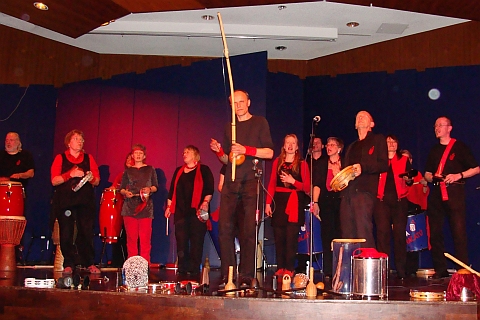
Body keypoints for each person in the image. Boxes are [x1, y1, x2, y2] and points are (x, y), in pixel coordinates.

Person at [210, 89, 274, 284]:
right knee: (225, 229)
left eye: (241, 101)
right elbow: (228, 160)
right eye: (234, 103)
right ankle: (227, 274)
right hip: (231, 182)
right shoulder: (230, 126)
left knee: (248, 230)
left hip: (250, 182)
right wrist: (220, 151)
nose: (237, 105)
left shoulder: (259, 122)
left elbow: (270, 153)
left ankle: (247, 275)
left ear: (248, 102)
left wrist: (247, 149)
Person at [424, 116, 480, 278]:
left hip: (454, 193)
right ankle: (440, 269)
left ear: (449, 128)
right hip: (436, 194)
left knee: (458, 232)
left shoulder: (460, 147)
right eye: (435, 126)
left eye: (440, 125)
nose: (437, 128)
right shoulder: (434, 150)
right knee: (435, 233)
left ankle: (462, 270)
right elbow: (427, 173)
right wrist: (432, 177)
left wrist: (458, 175)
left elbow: (476, 169)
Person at [50, 129, 100, 274]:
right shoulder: (60, 158)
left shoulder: (88, 158)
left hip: (85, 202)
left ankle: (89, 262)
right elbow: (54, 180)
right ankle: (69, 263)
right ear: (69, 142)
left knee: (86, 231)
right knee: (67, 232)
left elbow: (97, 181)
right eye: (76, 138)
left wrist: (91, 178)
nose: (80, 141)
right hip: (66, 202)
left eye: (81, 139)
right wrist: (69, 174)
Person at [339, 111, 389, 247]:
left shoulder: (377, 139)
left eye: (364, 116)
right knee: (347, 232)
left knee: (363, 229)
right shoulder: (351, 147)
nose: (360, 118)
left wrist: (363, 167)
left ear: (371, 124)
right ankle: (349, 266)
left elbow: (384, 165)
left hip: (364, 191)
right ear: (355, 125)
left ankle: (367, 265)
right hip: (347, 193)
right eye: (358, 117)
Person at [265, 134, 310, 280]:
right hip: (279, 201)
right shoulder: (277, 162)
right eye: (287, 143)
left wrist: (293, 181)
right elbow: (271, 183)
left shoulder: (302, 164)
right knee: (279, 237)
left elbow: (307, 187)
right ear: (284, 146)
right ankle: (280, 267)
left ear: (297, 147)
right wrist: (267, 203)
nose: (290, 145)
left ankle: (290, 268)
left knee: (291, 238)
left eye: (293, 143)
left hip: (294, 202)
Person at [165, 145, 214, 278]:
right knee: (181, 241)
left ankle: (193, 271)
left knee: (196, 242)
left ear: (195, 155)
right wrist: (169, 207)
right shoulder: (178, 171)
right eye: (184, 152)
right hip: (181, 212)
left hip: (197, 212)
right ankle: (182, 270)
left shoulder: (204, 170)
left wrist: (205, 202)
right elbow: (172, 191)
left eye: (188, 152)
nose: (184, 153)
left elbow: (209, 189)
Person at [373, 135, 411, 279]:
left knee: (400, 235)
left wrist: (408, 179)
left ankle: (401, 270)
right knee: (382, 234)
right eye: (388, 142)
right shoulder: (379, 160)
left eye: (394, 142)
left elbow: (409, 180)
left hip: (399, 202)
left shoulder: (404, 160)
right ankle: (383, 270)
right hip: (381, 201)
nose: (391, 144)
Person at [119, 144, 158, 265]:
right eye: (136, 153)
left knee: (145, 239)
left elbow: (156, 186)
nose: (138, 155)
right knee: (131, 239)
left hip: (145, 206)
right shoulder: (128, 171)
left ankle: (145, 267)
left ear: (144, 155)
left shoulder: (150, 169)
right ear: (132, 155)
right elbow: (121, 189)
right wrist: (126, 192)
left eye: (140, 153)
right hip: (130, 207)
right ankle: (132, 266)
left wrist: (149, 189)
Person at [0, 132, 35, 263]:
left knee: (17, 224)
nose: (9, 142)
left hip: (18, 194)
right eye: (7, 140)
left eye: (12, 140)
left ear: (19, 142)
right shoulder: (1, 156)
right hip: (1, 192)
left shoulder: (25, 156)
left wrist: (20, 175)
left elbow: (31, 173)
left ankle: (16, 254)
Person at [313, 137, 344, 277]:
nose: (329, 147)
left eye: (333, 145)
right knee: (326, 235)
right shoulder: (322, 164)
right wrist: (315, 202)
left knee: (339, 236)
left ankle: (340, 269)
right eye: (328, 144)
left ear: (339, 148)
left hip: (341, 201)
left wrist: (339, 173)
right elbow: (318, 184)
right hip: (326, 202)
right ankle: (328, 270)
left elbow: (348, 184)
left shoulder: (345, 163)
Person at [401, 149, 429, 276]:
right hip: (401, 212)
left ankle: (412, 270)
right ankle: (402, 269)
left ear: (411, 160)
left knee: (414, 242)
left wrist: (424, 185)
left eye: (408, 159)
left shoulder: (416, 174)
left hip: (414, 214)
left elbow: (423, 194)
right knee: (401, 242)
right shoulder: (398, 174)